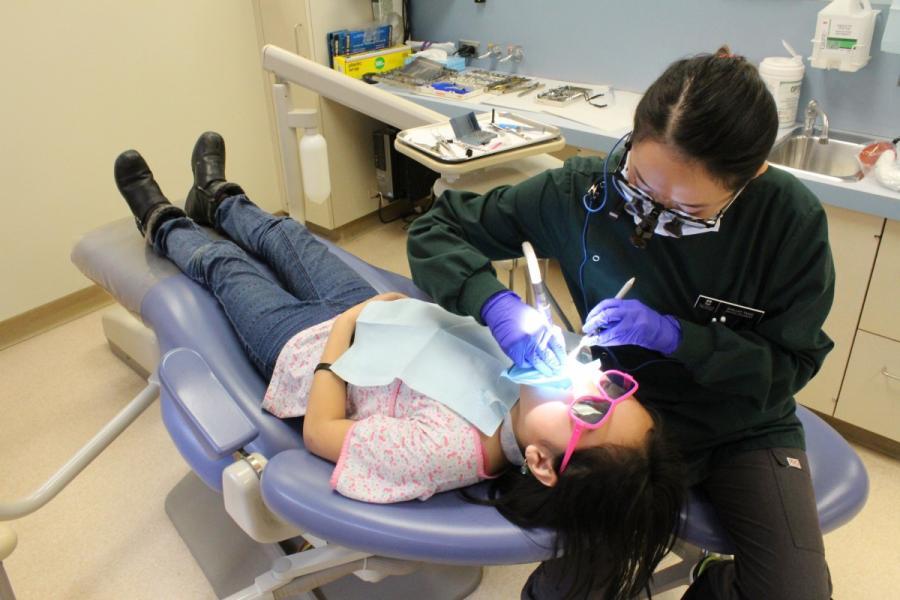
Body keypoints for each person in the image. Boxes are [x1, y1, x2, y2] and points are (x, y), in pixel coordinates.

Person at [112, 132, 686, 599]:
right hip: (374, 312)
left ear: (540, 463)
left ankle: (161, 219)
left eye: (591, 407)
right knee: (284, 233)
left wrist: (339, 335)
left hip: (307, 346)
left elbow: (320, 432)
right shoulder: (523, 386)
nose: (589, 381)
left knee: (225, 266)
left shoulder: (444, 451)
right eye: (613, 385)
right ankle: (217, 196)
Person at [407, 47, 836, 600]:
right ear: (632, 137)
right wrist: (492, 303)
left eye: (686, 209)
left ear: (750, 177)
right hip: (619, 422)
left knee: (794, 594)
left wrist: (682, 339)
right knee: (571, 591)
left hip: (741, 424)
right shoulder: (579, 195)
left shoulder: (789, 222)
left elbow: (792, 362)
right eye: (641, 185)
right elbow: (436, 230)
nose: (651, 219)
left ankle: (710, 583)